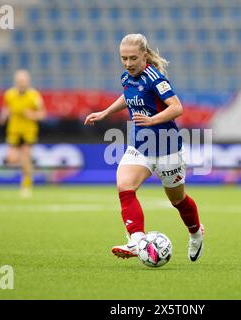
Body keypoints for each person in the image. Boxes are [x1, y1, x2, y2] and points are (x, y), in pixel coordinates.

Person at [84, 34, 204, 262]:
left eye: (133, 58)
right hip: (140, 145)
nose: (128, 63)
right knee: (124, 185)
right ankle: (136, 240)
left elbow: (177, 108)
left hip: (167, 147)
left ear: (145, 56)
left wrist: (152, 120)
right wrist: (105, 112)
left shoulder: (155, 79)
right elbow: (128, 96)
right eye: (123, 58)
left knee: (177, 200)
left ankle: (196, 232)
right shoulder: (127, 77)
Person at [0, 69, 46, 197]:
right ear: (16, 81)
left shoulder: (34, 96)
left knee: (25, 154)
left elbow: (42, 114)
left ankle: (26, 183)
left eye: (23, 81)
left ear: (28, 81)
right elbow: (6, 107)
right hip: (13, 130)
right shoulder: (9, 94)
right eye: (19, 81)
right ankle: (28, 169)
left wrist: (32, 115)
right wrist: (3, 116)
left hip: (28, 131)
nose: (21, 83)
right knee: (12, 159)